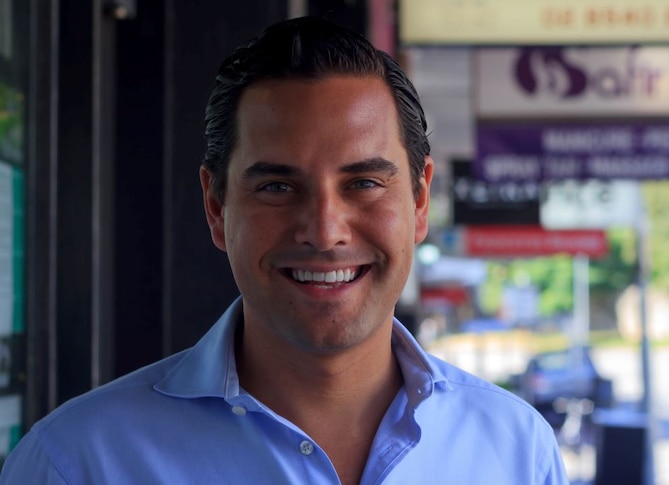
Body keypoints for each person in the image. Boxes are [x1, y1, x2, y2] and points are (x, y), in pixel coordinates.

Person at [0, 16, 568, 484]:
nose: (324, 231)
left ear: (420, 201)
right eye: (276, 187)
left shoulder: (516, 451)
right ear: (217, 207)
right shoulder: (78, 463)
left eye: (364, 183)